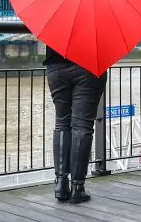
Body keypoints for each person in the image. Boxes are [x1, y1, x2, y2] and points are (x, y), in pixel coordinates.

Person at [45, 45, 107, 204]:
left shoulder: (55, 18)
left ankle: (60, 183)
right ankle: (77, 187)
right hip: (89, 65)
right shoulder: (99, 18)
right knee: (83, 125)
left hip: (56, 66)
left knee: (61, 123)